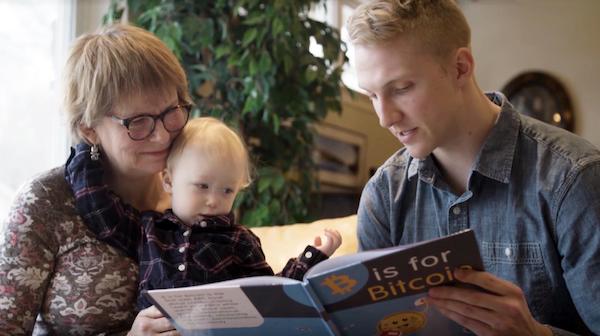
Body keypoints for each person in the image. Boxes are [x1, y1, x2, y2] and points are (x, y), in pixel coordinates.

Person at [347, 1, 600, 335]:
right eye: (372, 96)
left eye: (401, 88)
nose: (384, 118)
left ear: (460, 67)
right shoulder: (383, 196)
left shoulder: (573, 178)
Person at [2, 23, 191, 335]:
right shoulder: (46, 201)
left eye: (171, 112)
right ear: (89, 128)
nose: (162, 136)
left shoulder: (195, 191)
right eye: (138, 122)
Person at [65, 116, 342, 310]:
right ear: (169, 181)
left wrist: (311, 258)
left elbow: (271, 294)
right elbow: (100, 212)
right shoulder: (149, 229)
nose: (213, 201)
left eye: (226, 191)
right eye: (202, 186)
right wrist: (85, 151)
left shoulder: (239, 241)